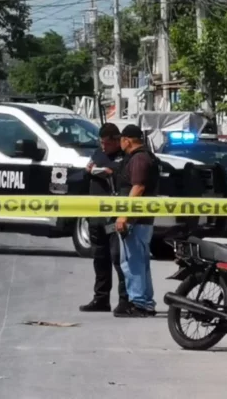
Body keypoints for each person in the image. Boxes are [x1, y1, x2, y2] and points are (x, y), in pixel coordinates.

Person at [79, 123, 129, 314]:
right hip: (96, 214)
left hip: (114, 216)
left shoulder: (124, 156)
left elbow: (126, 177)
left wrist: (111, 173)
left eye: (107, 143)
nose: (103, 147)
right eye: (101, 143)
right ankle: (101, 298)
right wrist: (88, 170)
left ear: (116, 140)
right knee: (99, 257)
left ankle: (125, 299)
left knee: (118, 258)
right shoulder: (98, 153)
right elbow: (87, 173)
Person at [114, 125, 160, 318]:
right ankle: (146, 303)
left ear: (127, 140)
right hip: (142, 219)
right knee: (140, 261)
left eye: (121, 139)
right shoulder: (146, 156)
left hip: (135, 219)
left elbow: (138, 187)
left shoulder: (139, 158)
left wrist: (124, 215)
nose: (120, 143)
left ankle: (138, 303)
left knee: (132, 262)